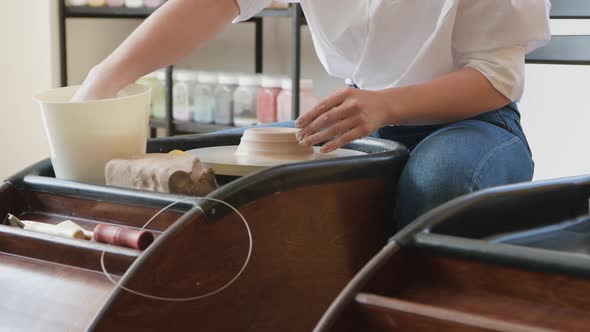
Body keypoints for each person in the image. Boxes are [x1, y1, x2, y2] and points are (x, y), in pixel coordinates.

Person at [73, 0, 551, 228]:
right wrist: (104, 77)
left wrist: (388, 103)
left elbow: (497, 78)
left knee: (438, 181)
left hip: (473, 119)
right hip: (359, 112)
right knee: (228, 164)